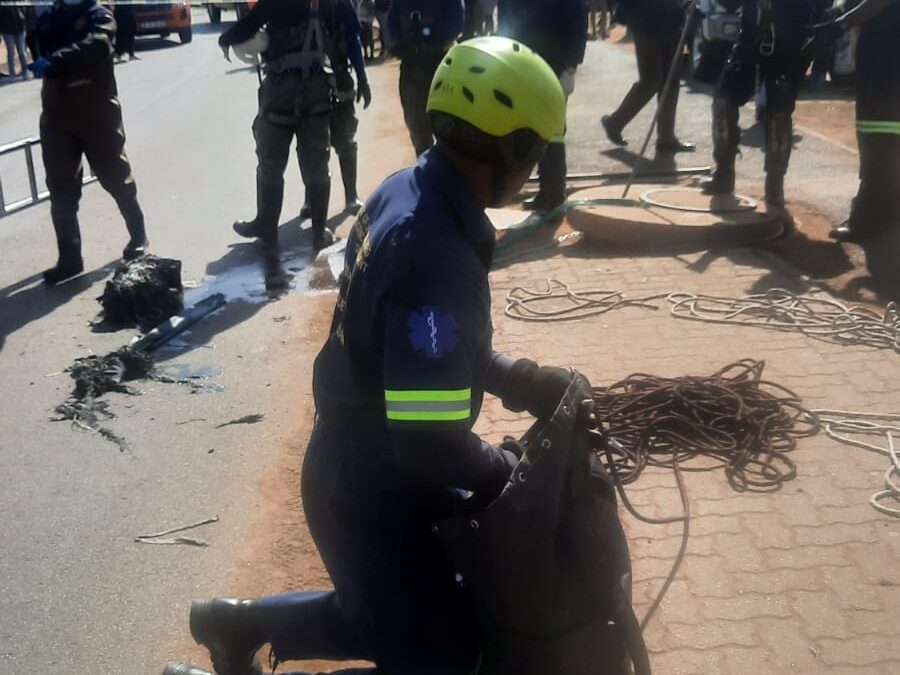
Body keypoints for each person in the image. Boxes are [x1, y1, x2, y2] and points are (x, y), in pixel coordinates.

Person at [181, 36, 573, 675]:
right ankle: (234, 632)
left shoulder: (411, 189)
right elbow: (428, 439)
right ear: (515, 149)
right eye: (536, 152)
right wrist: (508, 472)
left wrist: (519, 380)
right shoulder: (438, 258)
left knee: (385, 615)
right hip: (376, 489)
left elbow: (424, 355)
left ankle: (236, 622)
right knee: (437, 655)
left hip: (352, 463)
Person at [219, 0, 363, 290]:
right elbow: (352, 34)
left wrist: (225, 39)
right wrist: (360, 77)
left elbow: (245, 28)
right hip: (317, 91)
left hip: (280, 91)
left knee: (271, 163)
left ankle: (269, 239)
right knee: (317, 160)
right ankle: (319, 233)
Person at [34, 0, 148, 285]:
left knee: (116, 178)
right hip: (57, 115)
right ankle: (70, 258)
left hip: (97, 113)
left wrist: (58, 59)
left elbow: (98, 45)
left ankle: (138, 237)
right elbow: (38, 44)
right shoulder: (51, 17)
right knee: (61, 187)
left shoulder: (100, 15)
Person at [702, 0, 824, 220]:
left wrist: (820, 57)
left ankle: (775, 186)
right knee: (723, 103)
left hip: (790, 49)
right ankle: (723, 173)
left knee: (779, 115)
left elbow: (824, 10)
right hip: (749, 42)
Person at [497, 0, 588, 212]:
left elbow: (578, 18)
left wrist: (571, 66)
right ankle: (545, 192)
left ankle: (554, 195)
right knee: (527, 128)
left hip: (553, 63)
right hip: (519, 60)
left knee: (552, 130)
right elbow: (505, 17)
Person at [826, 0, 900, 243]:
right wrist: (840, 10)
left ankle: (867, 220)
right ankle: (888, 212)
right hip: (883, 66)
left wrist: (842, 21)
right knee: (884, 145)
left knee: (876, 142)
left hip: (885, 71)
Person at [300, 0, 372, 219]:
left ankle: (351, 195)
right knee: (307, 143)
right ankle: (311, 198)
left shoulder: (340, 4)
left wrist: (362, 78)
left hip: (339, 78)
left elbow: (353, 38)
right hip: (304, 82)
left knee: (345, 137)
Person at [601, 0, 694, 153]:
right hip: (647, 21)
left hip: (672, 19)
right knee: (651, 80)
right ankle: (614, 122)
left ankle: (666, 137)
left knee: (670, 83)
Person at [386, 0, 464, 156]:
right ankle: (427, 172)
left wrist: (428, 34)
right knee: (418, 131)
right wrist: (401, 44)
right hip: (412, 69)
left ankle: (448, 173)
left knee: (449, 132)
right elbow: (391, 26)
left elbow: (456, 25)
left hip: (442, 66)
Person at [0, 3, 30, 81]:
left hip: (20, 28)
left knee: (22, 51)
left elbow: (24, 11)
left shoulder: (18, 3)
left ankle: (25, 71)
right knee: (11, 51)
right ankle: (12, 74)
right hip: (7, 30)